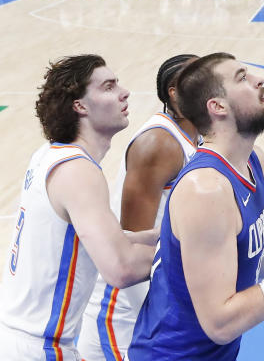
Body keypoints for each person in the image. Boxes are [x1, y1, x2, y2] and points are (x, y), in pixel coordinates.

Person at [127, 53, 264, 360]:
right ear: (217, 107)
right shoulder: (205, 188)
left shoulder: (254, 162)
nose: (260, 80)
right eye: (242, 77)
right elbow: (221, 323)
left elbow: (252, 264)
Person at [0, 55, 158, 360]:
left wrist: (156, 236)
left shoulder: (48, 154)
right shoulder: (78, 171)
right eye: (109, 87)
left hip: (19, 337)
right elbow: (120, 268)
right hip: (40, 346)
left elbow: (83, 240)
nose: (125, 92)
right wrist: (189, 253)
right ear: (80, 106)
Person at [77, 55, 201, 361]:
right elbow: (128, 246)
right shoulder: (158, 144)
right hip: (125, 314)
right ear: (175, 92)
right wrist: (159, 324)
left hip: (157, 296)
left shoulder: (192, 138)